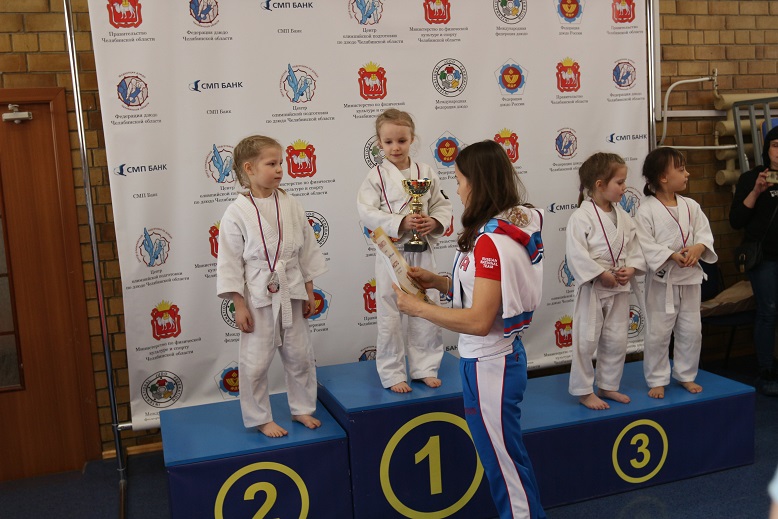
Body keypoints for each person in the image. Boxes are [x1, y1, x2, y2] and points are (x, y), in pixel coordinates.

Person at [393, 140, 546, 519]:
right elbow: (487, 293)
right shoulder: (500, 226)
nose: (458, 190)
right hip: (492, 360)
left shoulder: (491, 239)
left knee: (503, 467)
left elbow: (479, 320)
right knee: (507, 459)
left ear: (477, 183)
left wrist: (418, 308)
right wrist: (438, 283)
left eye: (460, 181)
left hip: (491, 364)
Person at [216, 135, 328, 437]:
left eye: (281, 163)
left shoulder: (291, 204)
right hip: (258, 295)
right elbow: (230, 262)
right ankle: (260, 417)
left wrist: (309, 289)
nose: (279, 169)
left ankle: (302, 408)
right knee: (254, 364)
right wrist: (238, 304)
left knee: (300, 356)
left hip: (292, 289)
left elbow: (306, 251)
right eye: (271, 164)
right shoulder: (236, 212)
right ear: (249, 168)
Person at [356, 108, 452, 393]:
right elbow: (366, 212)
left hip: (422, 250)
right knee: (389, 312)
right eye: (388, 142)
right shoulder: (375, 176)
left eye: (401, 140)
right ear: (379, 143)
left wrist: (433, 221)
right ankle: (392, 372)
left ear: (412, 139)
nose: (395, 147)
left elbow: (442, 204)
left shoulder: (426, 172)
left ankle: (425, 367)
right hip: (392, 252)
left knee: (427, 304)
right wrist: (400, 222)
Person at [565, 152, 645, 410]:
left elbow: (635, 249)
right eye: (619, 182)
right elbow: (575, 253)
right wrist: (600, 273)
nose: (624, 187)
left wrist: (631, 268)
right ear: (599, 185)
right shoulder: (581, 217)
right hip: (593, 289)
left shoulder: (624, 217)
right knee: (586, 340)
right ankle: (583, 390)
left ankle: (608, 385)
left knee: (616, 339)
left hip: (618, 286)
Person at [635, 147, 717, 398]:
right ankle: (657, 378)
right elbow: (644, 243)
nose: (687, 174)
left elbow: (704, 235)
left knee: (691, 331)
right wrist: (671, 255)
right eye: (681, 170)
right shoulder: (646, 210)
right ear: (663, 177)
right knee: (658, 333)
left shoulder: (691, 206)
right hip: (663, 282)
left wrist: (698, 248)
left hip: (690, 279)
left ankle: (686, 374)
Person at [730, 125, 778, 396]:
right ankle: (765, 371)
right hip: (764, 258)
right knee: (768, 311)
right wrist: (757, 191)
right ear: (767, 149)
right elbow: (736, 220)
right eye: (776, 145)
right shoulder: (752, 178)